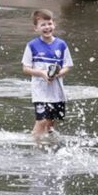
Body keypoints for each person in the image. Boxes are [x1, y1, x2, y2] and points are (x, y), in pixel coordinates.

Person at [21, 9, 73, 139]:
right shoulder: (32, 45)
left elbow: (68, 66)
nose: (47, 27)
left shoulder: (61, 45)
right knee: (42, 121)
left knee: (50, 124)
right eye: (43, 25)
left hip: (57, 92)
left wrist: (57, 74)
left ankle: (47, 148)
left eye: (49, 23)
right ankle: (35, 145)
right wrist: (42, 73)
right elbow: (25, 69)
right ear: (36, 28)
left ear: (54, 24)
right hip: (40, 91)